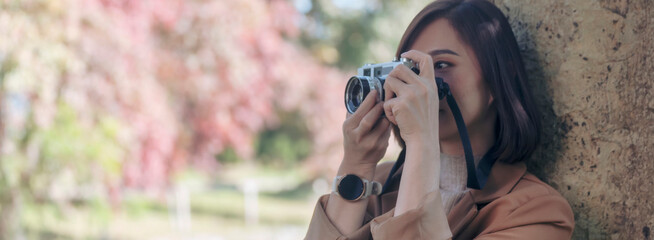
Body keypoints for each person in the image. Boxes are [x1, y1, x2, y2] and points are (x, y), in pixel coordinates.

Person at [305, 0, 575, 239]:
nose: (420, 84)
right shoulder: (380, 182)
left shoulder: (538, 211)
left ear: (496, 79)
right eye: (409, 68)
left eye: (441, 65)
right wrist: (357, 164)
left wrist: (422, 143)